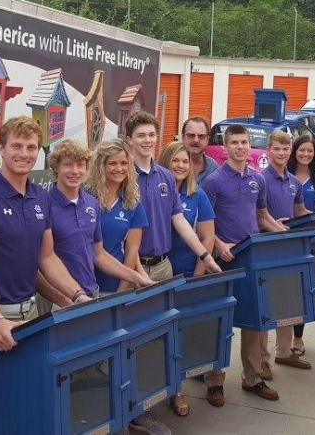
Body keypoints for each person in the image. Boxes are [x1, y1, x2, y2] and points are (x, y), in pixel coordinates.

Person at [124, 111, 221, 434]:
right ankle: (133, 410)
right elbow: (123, 233)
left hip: (163, 267)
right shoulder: (124, 175)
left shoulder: (165, 177)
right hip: (135, 272)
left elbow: (180, 221)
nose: (147, 141)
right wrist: (137, 272)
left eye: (152, 135)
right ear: (130, 141)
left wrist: (204, 254)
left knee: (158, 340)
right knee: (134, 341)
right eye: (141, 136)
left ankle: (148, 404)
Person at [0, 116, 90, 352]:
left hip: (31, 313)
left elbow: (47, 258)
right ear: (1, 149)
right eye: (16, 146)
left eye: (31, 147)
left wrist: (77, 294)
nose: (24, 154)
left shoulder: (41, 196)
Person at [203, 124, 287, 402]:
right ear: (225, 147)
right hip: (223, 260)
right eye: (234, 143)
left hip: (253, 258)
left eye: (244, 142)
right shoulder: (214, 181)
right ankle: (214, 380)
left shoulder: (257, 180)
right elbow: (203, 224)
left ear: (250, 146)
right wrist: (217, 244)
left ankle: (252, 377)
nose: (240, 147)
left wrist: (283, 234)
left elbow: (262, 217)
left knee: (253, 320)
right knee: (221, 321)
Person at [35, 139, 153, 313]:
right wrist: (65, 299)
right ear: (55, 167)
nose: (75, 171)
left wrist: (137, 277)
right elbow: (40, 262)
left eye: (80, 165)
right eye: (68, 165)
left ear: (87, 167)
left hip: (91, 295)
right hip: (58, 301)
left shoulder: (91, 204)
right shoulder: (43, 205)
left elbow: (98, 254)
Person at [158, 142, 219, 415]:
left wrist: (197, 276)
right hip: (159, 273)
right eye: (175, 161)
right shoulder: (154, 193)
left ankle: (179, 388)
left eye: (184, 161)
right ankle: (170, 388)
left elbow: (206, 237)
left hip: (188, 273)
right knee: (162, 336)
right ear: (165, 163)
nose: (180, 165)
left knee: (182, 334)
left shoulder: (198, 196)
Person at [260, 130, 312, 372]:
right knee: (265, 306)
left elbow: (300, 210)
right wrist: (275, 226)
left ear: (290, 150)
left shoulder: (295, 182)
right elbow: (257, 216)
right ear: (269, 150)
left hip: (290, 249)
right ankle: (262, 359)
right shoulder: (260, 179)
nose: (281, 153)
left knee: (287, 301)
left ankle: (284, 351)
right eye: (277, 149)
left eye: (285, 149)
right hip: (267, 249)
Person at [84, 138, 150, 294]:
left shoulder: (132, 201)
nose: (119, 168)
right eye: (112, 163)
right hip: (82, 284)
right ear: (101, 166)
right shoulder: (84, 195)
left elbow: (132, 251)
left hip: (114, 285)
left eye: (124, 163)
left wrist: (121, 292)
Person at [287, 134, 315, 355]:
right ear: (294, 151)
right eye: (302, 150)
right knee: (285, 289)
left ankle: (298, 338)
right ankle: (281, 338)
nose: (305, 154)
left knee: (304, 290)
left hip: (308, 241)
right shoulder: (285, 175)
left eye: (310, 151)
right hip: (284, 238)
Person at [181, 116, 219, 186]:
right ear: (183, 138)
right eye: (191, 135)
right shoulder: (172, 165)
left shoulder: (212, 167)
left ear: (207, 139)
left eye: (201, 136)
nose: (196, 140)